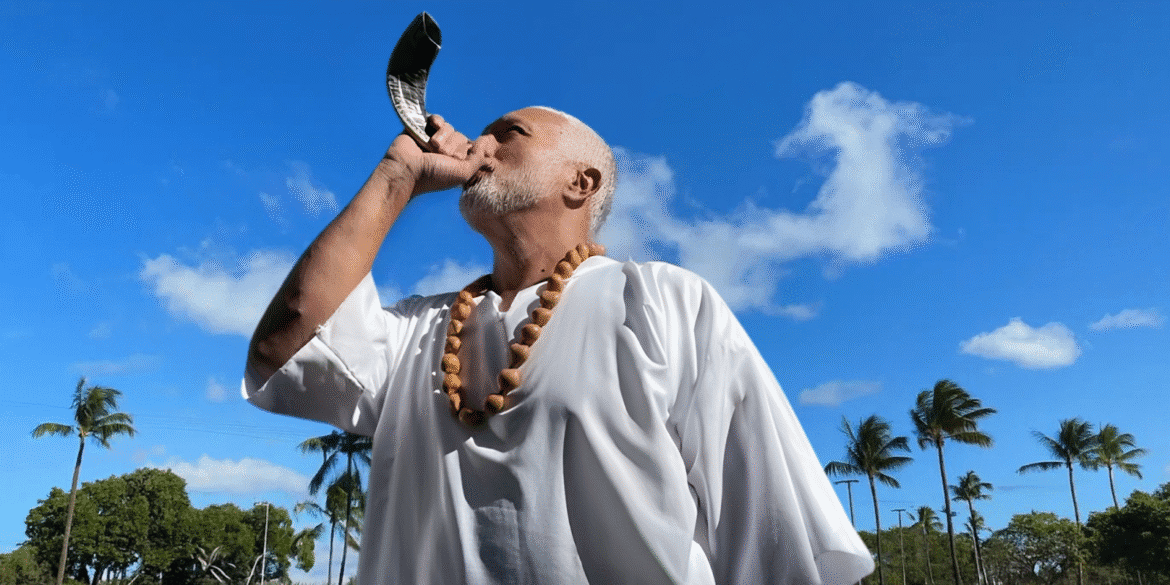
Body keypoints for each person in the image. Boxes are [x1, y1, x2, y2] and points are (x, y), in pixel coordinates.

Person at [243, 106, 874, 584]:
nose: (474, 144)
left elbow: (774, 536)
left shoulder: (661, 300)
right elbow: (286, 346)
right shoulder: (418, 327)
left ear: (581, 181)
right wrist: (397, 174)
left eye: (506, 133)